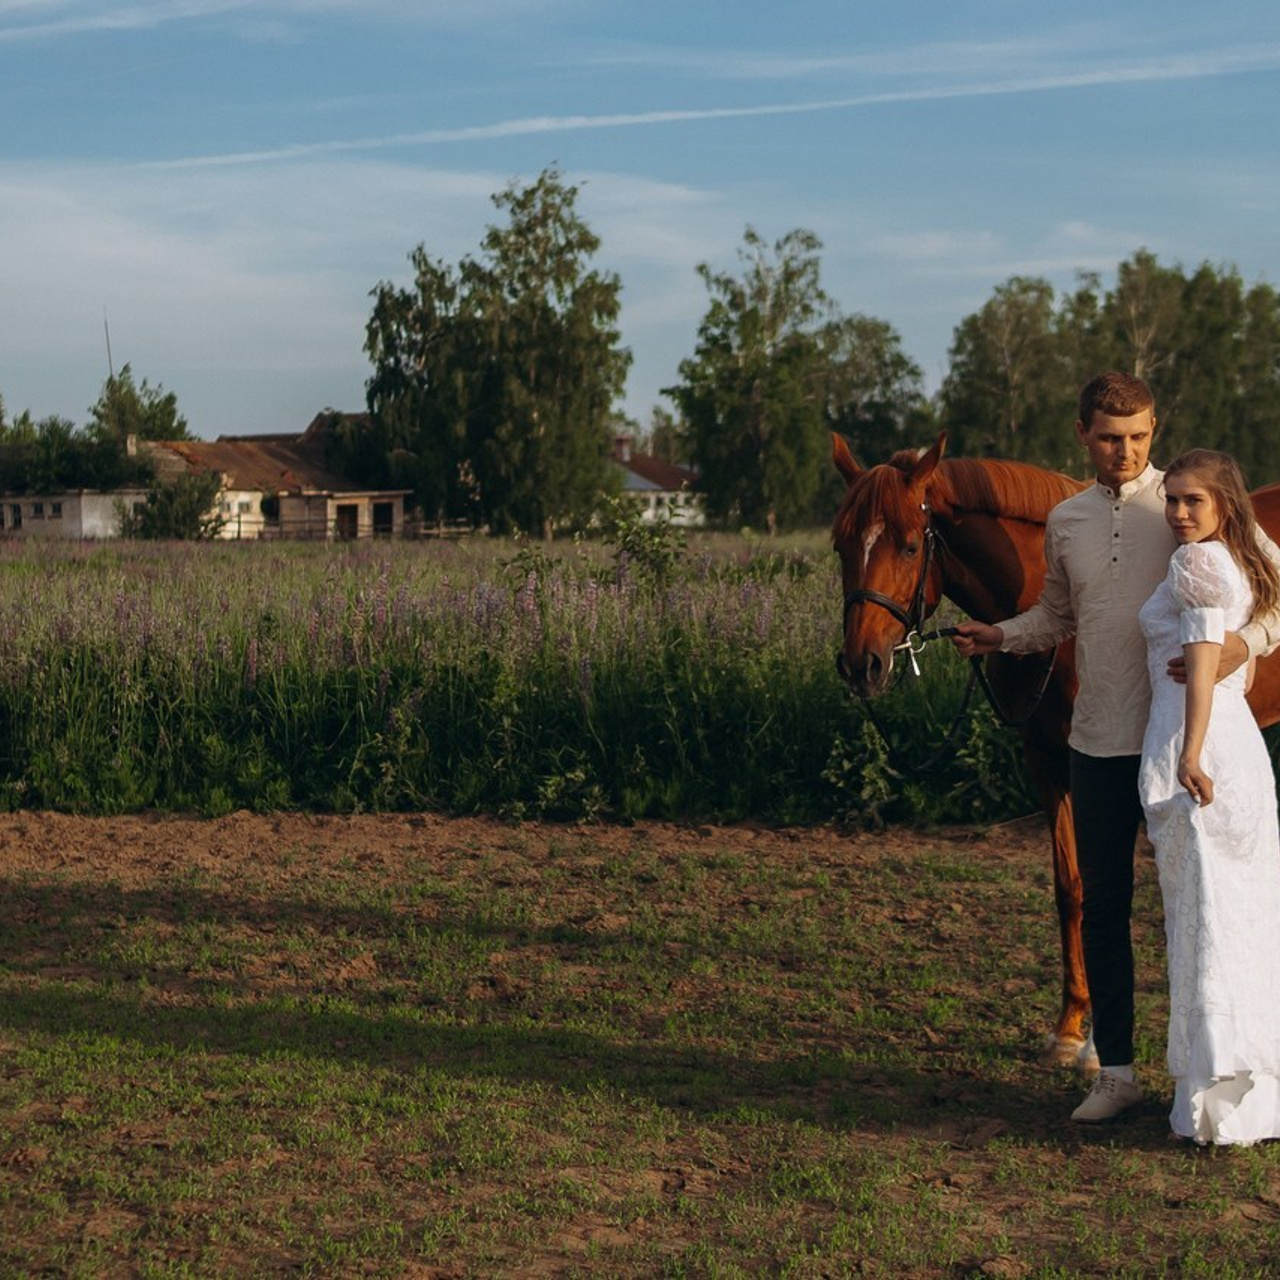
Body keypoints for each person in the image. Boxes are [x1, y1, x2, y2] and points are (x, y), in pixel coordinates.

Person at [952, 371, 1280, 1123]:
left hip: (1181, 743)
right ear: (1082, 436)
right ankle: (1118, 1074)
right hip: (1097, 739)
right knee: (1103, 906)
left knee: (1199, 908)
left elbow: (1276, 589)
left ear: (1154, 433)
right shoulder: (1066, 520)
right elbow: (1054, 616)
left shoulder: (1192, 502)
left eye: (1137, 438)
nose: (1124, 452)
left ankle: (1215, 1074)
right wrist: (1000, 634)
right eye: (1108, 438)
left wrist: (1244, 646)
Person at [1138, 449, 1280, 1144]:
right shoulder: (1240, 558)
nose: (1179, 513)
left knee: (1208, 920)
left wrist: (1188, 753)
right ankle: (1248, 1097)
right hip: (1241, 752)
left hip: (1203, 754)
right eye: (1172, 500)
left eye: (1194, 500)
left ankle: (1220, 1100)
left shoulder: (1196, 563)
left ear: (1225, 503)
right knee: (1240, 919)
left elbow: (1199, 664)